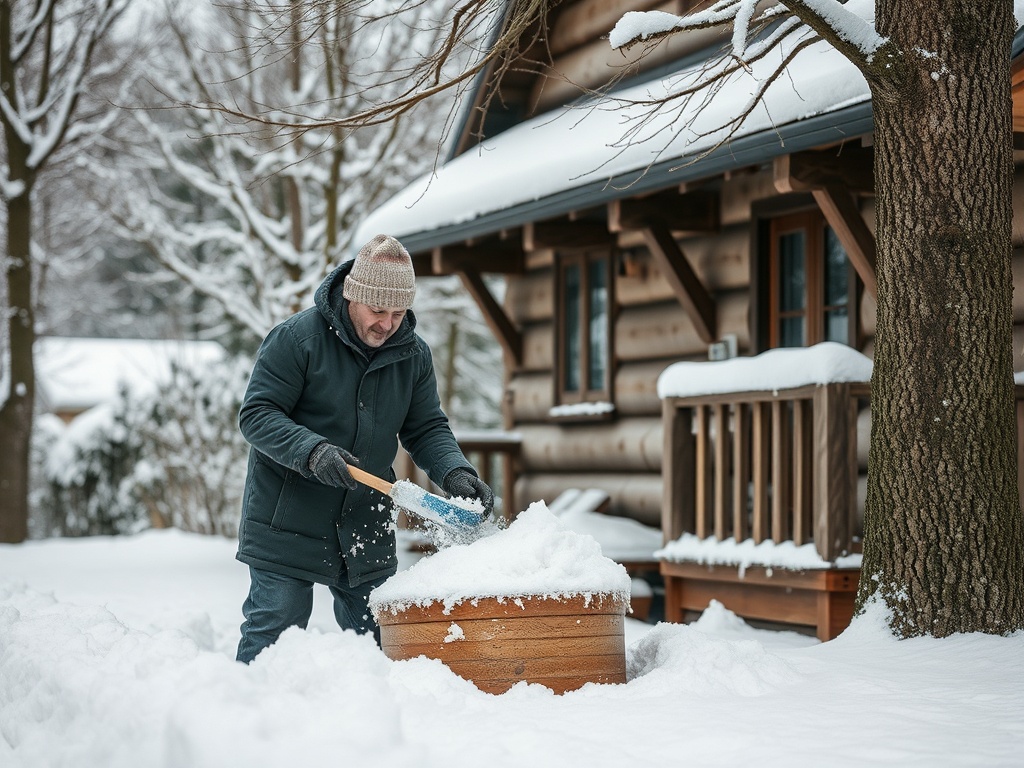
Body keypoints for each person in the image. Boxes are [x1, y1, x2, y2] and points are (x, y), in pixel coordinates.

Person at [234, 234, 494, 663]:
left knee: (381, 642)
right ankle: (247, 705)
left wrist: (454, 473)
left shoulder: (413, 355)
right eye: (377, 310)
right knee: (274, 636)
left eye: (398, 313)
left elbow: (426, 427)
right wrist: (312, 450)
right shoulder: (297, 340)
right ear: (353, 295)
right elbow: (258, 414)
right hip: (288, 516)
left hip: (363, 520)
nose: (387, 324)